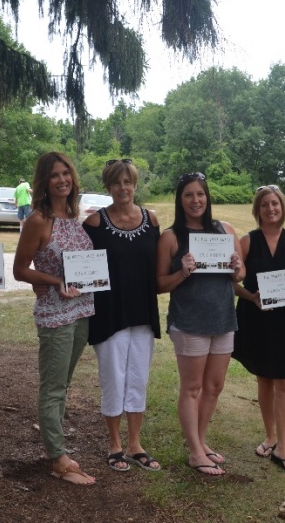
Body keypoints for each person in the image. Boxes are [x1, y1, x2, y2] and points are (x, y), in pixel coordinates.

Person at [12, 152, 96, 486]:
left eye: (66, 174)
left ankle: (55, 440)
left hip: (82, 311)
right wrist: (54, 282)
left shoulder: (74, 216)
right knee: (53, 387)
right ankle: (59, 459)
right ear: (44, 182)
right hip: (55, 315)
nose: (62, 180)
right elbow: (20, 270)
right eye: (54, 175)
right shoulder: (38, 219)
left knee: (62, 385)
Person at [156, 172, 245, 476]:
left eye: (200, 194)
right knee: (192, 387)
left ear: (208, 198)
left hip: (223, 320)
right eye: (188, 195)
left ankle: (201, 441)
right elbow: (159, 284)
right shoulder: (172, 237)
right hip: (189, 322)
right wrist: (181, 272)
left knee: (214, 386)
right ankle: (195, 452)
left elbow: (239, 275)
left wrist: (237, 267)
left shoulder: (226, 230)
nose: (195, 200)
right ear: (180, 200)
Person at [82, 159, 162, 472]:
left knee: (138, 378)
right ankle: (115, 444)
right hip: (109, 314)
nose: (123, 188)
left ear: (135, 184)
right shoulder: (94, 223)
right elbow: (79, 267)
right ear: (108, 186)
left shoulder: (151, 220)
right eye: (116, 183)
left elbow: (161, 265)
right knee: (113, 379)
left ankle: (135, 443)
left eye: (128, 182)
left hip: (142, 312)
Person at [232, 185, 285, 474]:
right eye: (264, 205)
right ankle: (270, 436)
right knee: (263, 378)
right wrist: (252, 297)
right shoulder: (247, 241)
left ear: (282, 206)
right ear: (258, 209)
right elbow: (232, 281)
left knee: (284, 382)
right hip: (257, 319)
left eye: (275, 203)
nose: (270, 209)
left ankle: (284, 448)